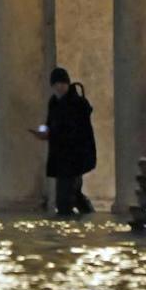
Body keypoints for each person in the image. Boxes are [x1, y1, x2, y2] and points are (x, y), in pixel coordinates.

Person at [30, 67, 96, 217]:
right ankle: (86, 216)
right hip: (60, 154)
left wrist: (52, 133)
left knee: (65, 198)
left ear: (67, 83)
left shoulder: (77, 103)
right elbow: (49, 122)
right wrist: (44, 131)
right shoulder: (54, 102)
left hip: (73, 155)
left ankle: (72, 219)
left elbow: (75, 129)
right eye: (56, 84)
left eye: (62, 83)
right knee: (72, 193)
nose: (59, 87)